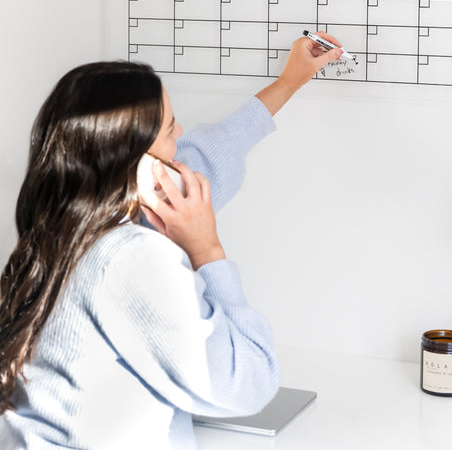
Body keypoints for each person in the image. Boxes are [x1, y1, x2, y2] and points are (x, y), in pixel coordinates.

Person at [0, 34, 342, 449]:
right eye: (168, 128)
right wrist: (207, 250)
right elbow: (246, 384)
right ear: (135, 160)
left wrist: (290, 81)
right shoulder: (131, 258)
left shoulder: (63, 216)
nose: (181, 131)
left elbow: (215, 150)